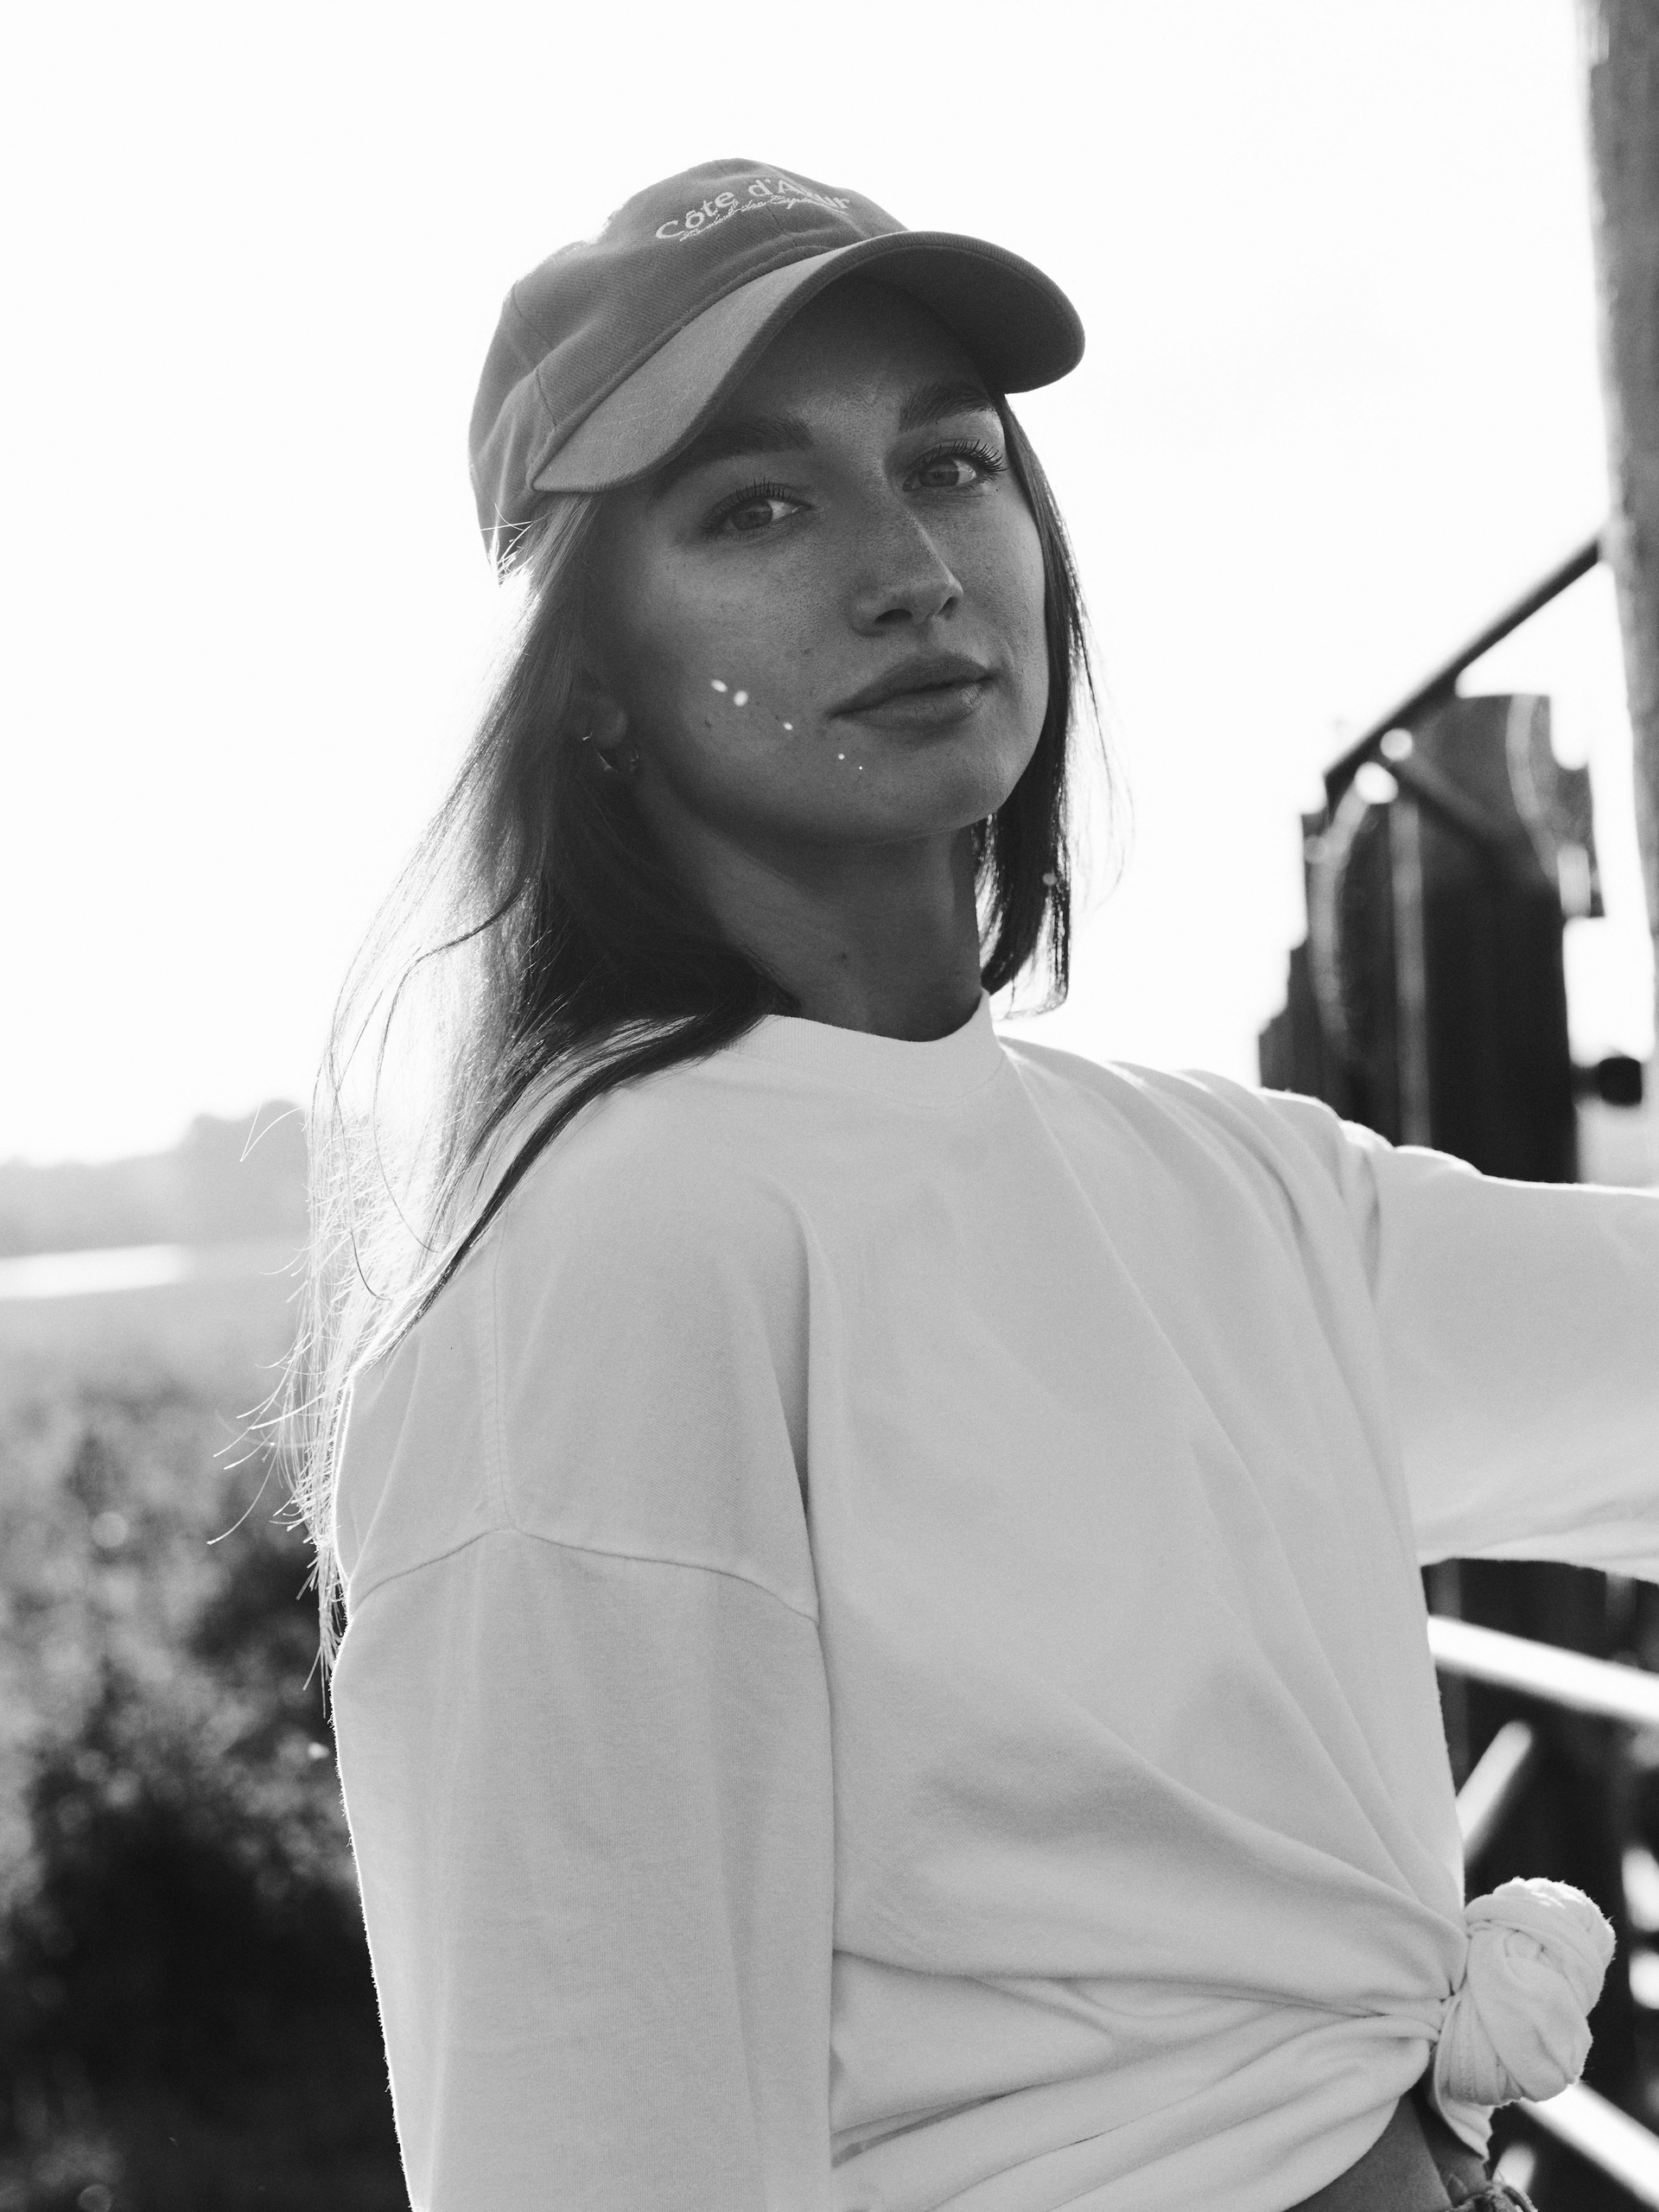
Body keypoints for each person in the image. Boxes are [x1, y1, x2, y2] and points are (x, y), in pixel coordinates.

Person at [282, 158, 1659, 2211]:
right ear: (588, 680)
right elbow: (594, 2145)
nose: (911, 566)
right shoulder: (608, 1265)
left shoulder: (1219, 1181)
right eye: (757, 507)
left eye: (950, 465)